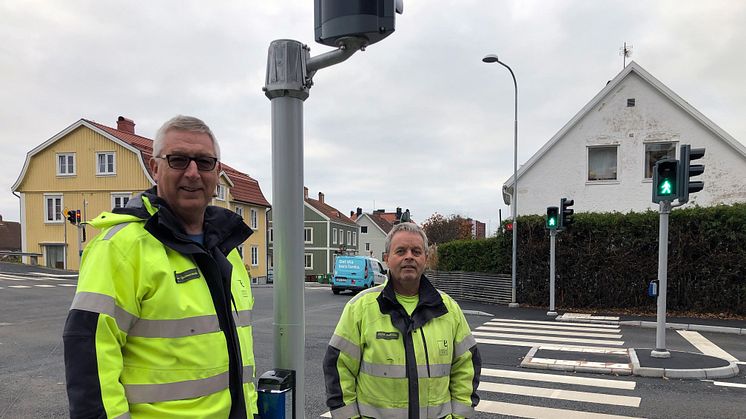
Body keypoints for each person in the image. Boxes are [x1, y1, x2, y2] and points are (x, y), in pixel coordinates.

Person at [63, 115, 258, 418]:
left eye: (204, 162)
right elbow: (89, 358)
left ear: (217, 173)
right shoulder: (121, 247)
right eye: (178, 160)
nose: (193, 173)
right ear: (155, 168)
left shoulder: (227, 250)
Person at [323, 222, 481, 418]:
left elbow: (466, 368)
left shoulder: (448, 309)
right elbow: (339, 369)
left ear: (425, 258)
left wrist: (459, 416)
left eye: (416, 251)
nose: (409, 256)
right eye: (401, 251)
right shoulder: (361, 308)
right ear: (387, 258)